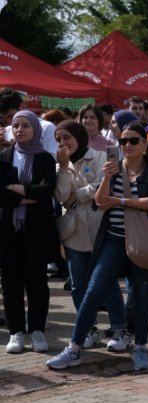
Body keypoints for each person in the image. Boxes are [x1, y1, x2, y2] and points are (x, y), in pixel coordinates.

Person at [46, 121, 148, 370]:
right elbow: (101, 201)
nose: (128, 145)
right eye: (123, 141)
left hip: (142, 242)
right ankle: (74, 348)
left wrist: (121, 201)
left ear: (145, 144)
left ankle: (141, 347)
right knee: (93, 290)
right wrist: (108, 178)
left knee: (142, 298)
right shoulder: (114, 167)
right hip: (112, 239)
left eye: (134, 140)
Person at [53, 120, 127, 350]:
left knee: (107, 282)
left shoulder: (99, 157)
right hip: (74, 232)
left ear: (79, 137)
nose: (63, 143)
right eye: (59, 140)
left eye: (67, 137)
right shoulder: (61, 166)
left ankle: (120, 330)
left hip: (99, 229)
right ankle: (90, 329)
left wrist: (79, 194)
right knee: (78, 284)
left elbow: (103, 185)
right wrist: (63, 169)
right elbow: (62, 196)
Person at [1, 111, 58, 354]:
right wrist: (28, 194)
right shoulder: (3, 157)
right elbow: (0, 194)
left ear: (36, 129)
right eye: (16, 126)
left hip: (36, 230)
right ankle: (16, 332)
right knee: (11, 281)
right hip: (8, 229)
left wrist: (18, 191)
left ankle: (36, 330)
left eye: (26, 126)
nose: (20, 130)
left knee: (37, 281)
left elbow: (47, 191)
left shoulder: (45, 158)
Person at [0, 89, 58, 158]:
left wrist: (21, 148)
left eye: (11, 116)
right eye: (2, 118)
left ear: (22, 107)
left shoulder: (47, 127)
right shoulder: (6, 131)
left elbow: (52, 158)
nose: (8, 122)